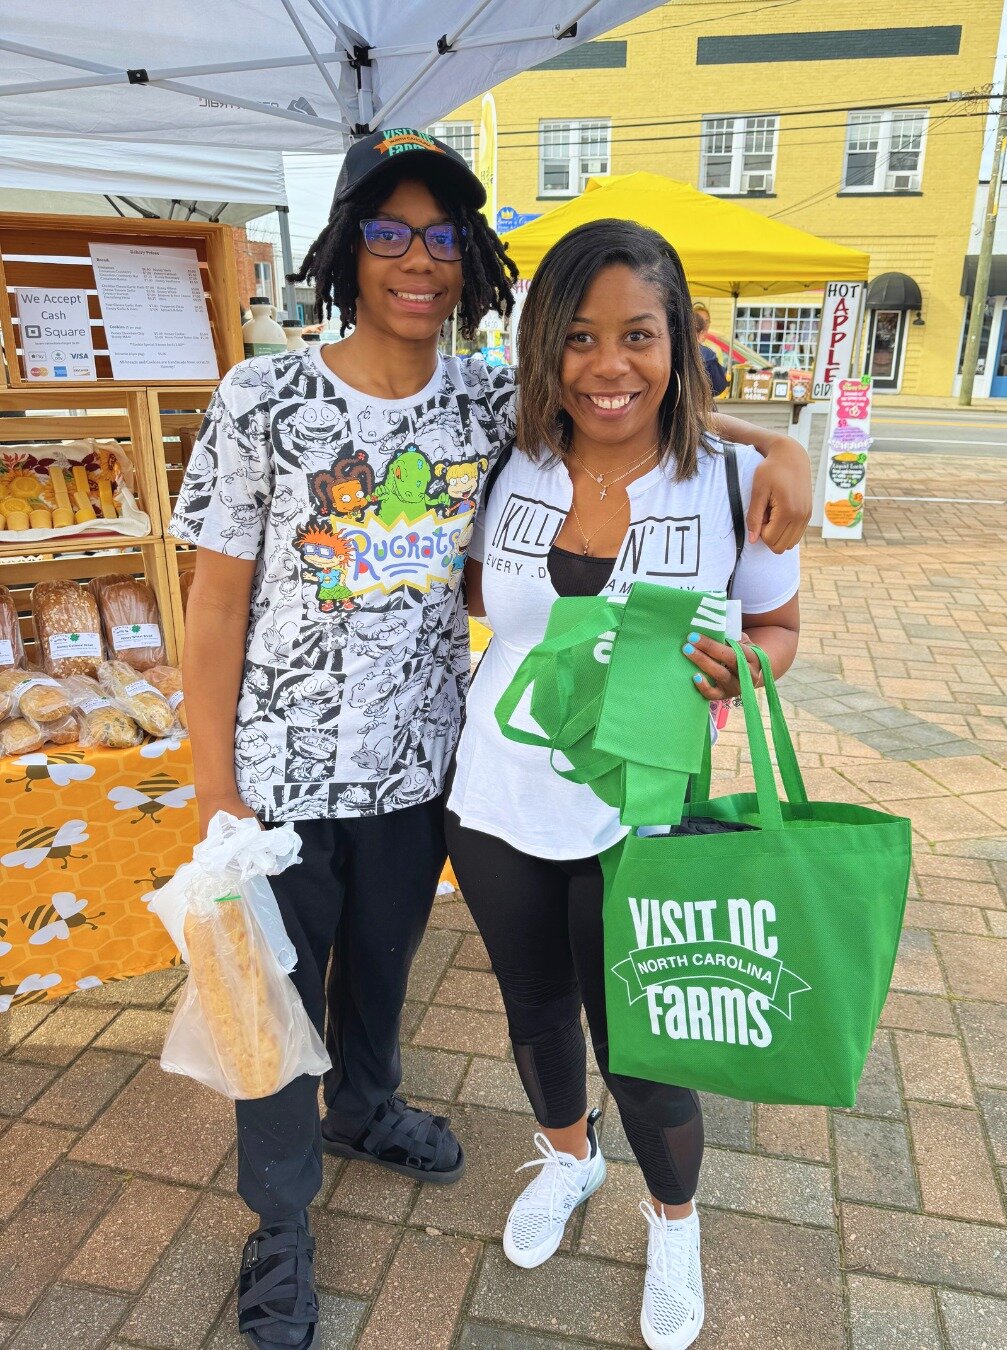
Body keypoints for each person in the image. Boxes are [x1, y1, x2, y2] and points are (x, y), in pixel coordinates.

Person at [172, 125, 810, 1349]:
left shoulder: (481, 405)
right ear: (344, 251)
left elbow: (625, 399)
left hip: (424, 774)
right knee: (267, 1011)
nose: (417, 257)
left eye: (441, 235)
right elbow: (210, 605)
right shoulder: (265, 396)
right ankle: (280, 1229)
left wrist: (776, 440)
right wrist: (218, 793)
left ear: (469, 259)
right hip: (281, 777)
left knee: (384, 982)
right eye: (388, 231)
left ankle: (368, 1108)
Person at [445, 220, 800, 1350]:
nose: (611, 366)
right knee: (536, 1014)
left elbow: (781, 627)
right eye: (581, 337)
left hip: (644, 813)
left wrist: (745, 662)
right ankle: (567, 1158)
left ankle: (674, 1219)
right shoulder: (507, 459)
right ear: (545, 346)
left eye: (638, 336)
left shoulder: (738, 482)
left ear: (677, 338)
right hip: (496, 800)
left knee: (646, 1048)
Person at [693, 304, 727, 397]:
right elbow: (719, 385)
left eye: (707, 320)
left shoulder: (714, 347)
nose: (704, 323)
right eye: (701, 320)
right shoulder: (708, 353)